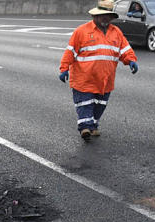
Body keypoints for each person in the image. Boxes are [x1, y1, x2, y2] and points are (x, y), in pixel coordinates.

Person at [59, 0, 138, 141]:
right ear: (95, 16)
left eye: (108, 15)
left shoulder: (116, 32)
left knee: (100, 105)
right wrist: (64, 68)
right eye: (102, 15)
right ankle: (84, 128)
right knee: (84, 103)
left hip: (105, 80)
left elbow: (124, 49)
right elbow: (70, 52)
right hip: (84, 79)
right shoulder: (81, 31)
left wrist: (131, 60)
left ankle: (93, 126)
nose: (105, 18)